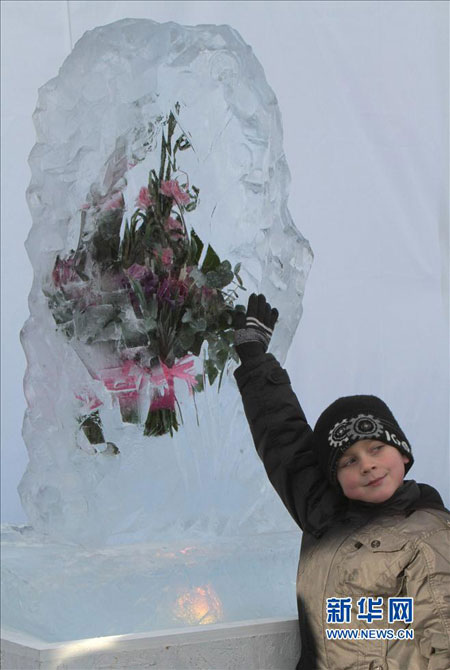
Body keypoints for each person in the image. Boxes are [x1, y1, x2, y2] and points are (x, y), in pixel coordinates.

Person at [233, 293, 450, 670]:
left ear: (404, 454)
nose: (367, 465)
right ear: (334, 477)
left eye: (377, 448)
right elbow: (286, 443)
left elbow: (442, 637)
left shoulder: (429, 533)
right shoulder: (325, 514)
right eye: (349, 460)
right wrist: (255, 360)